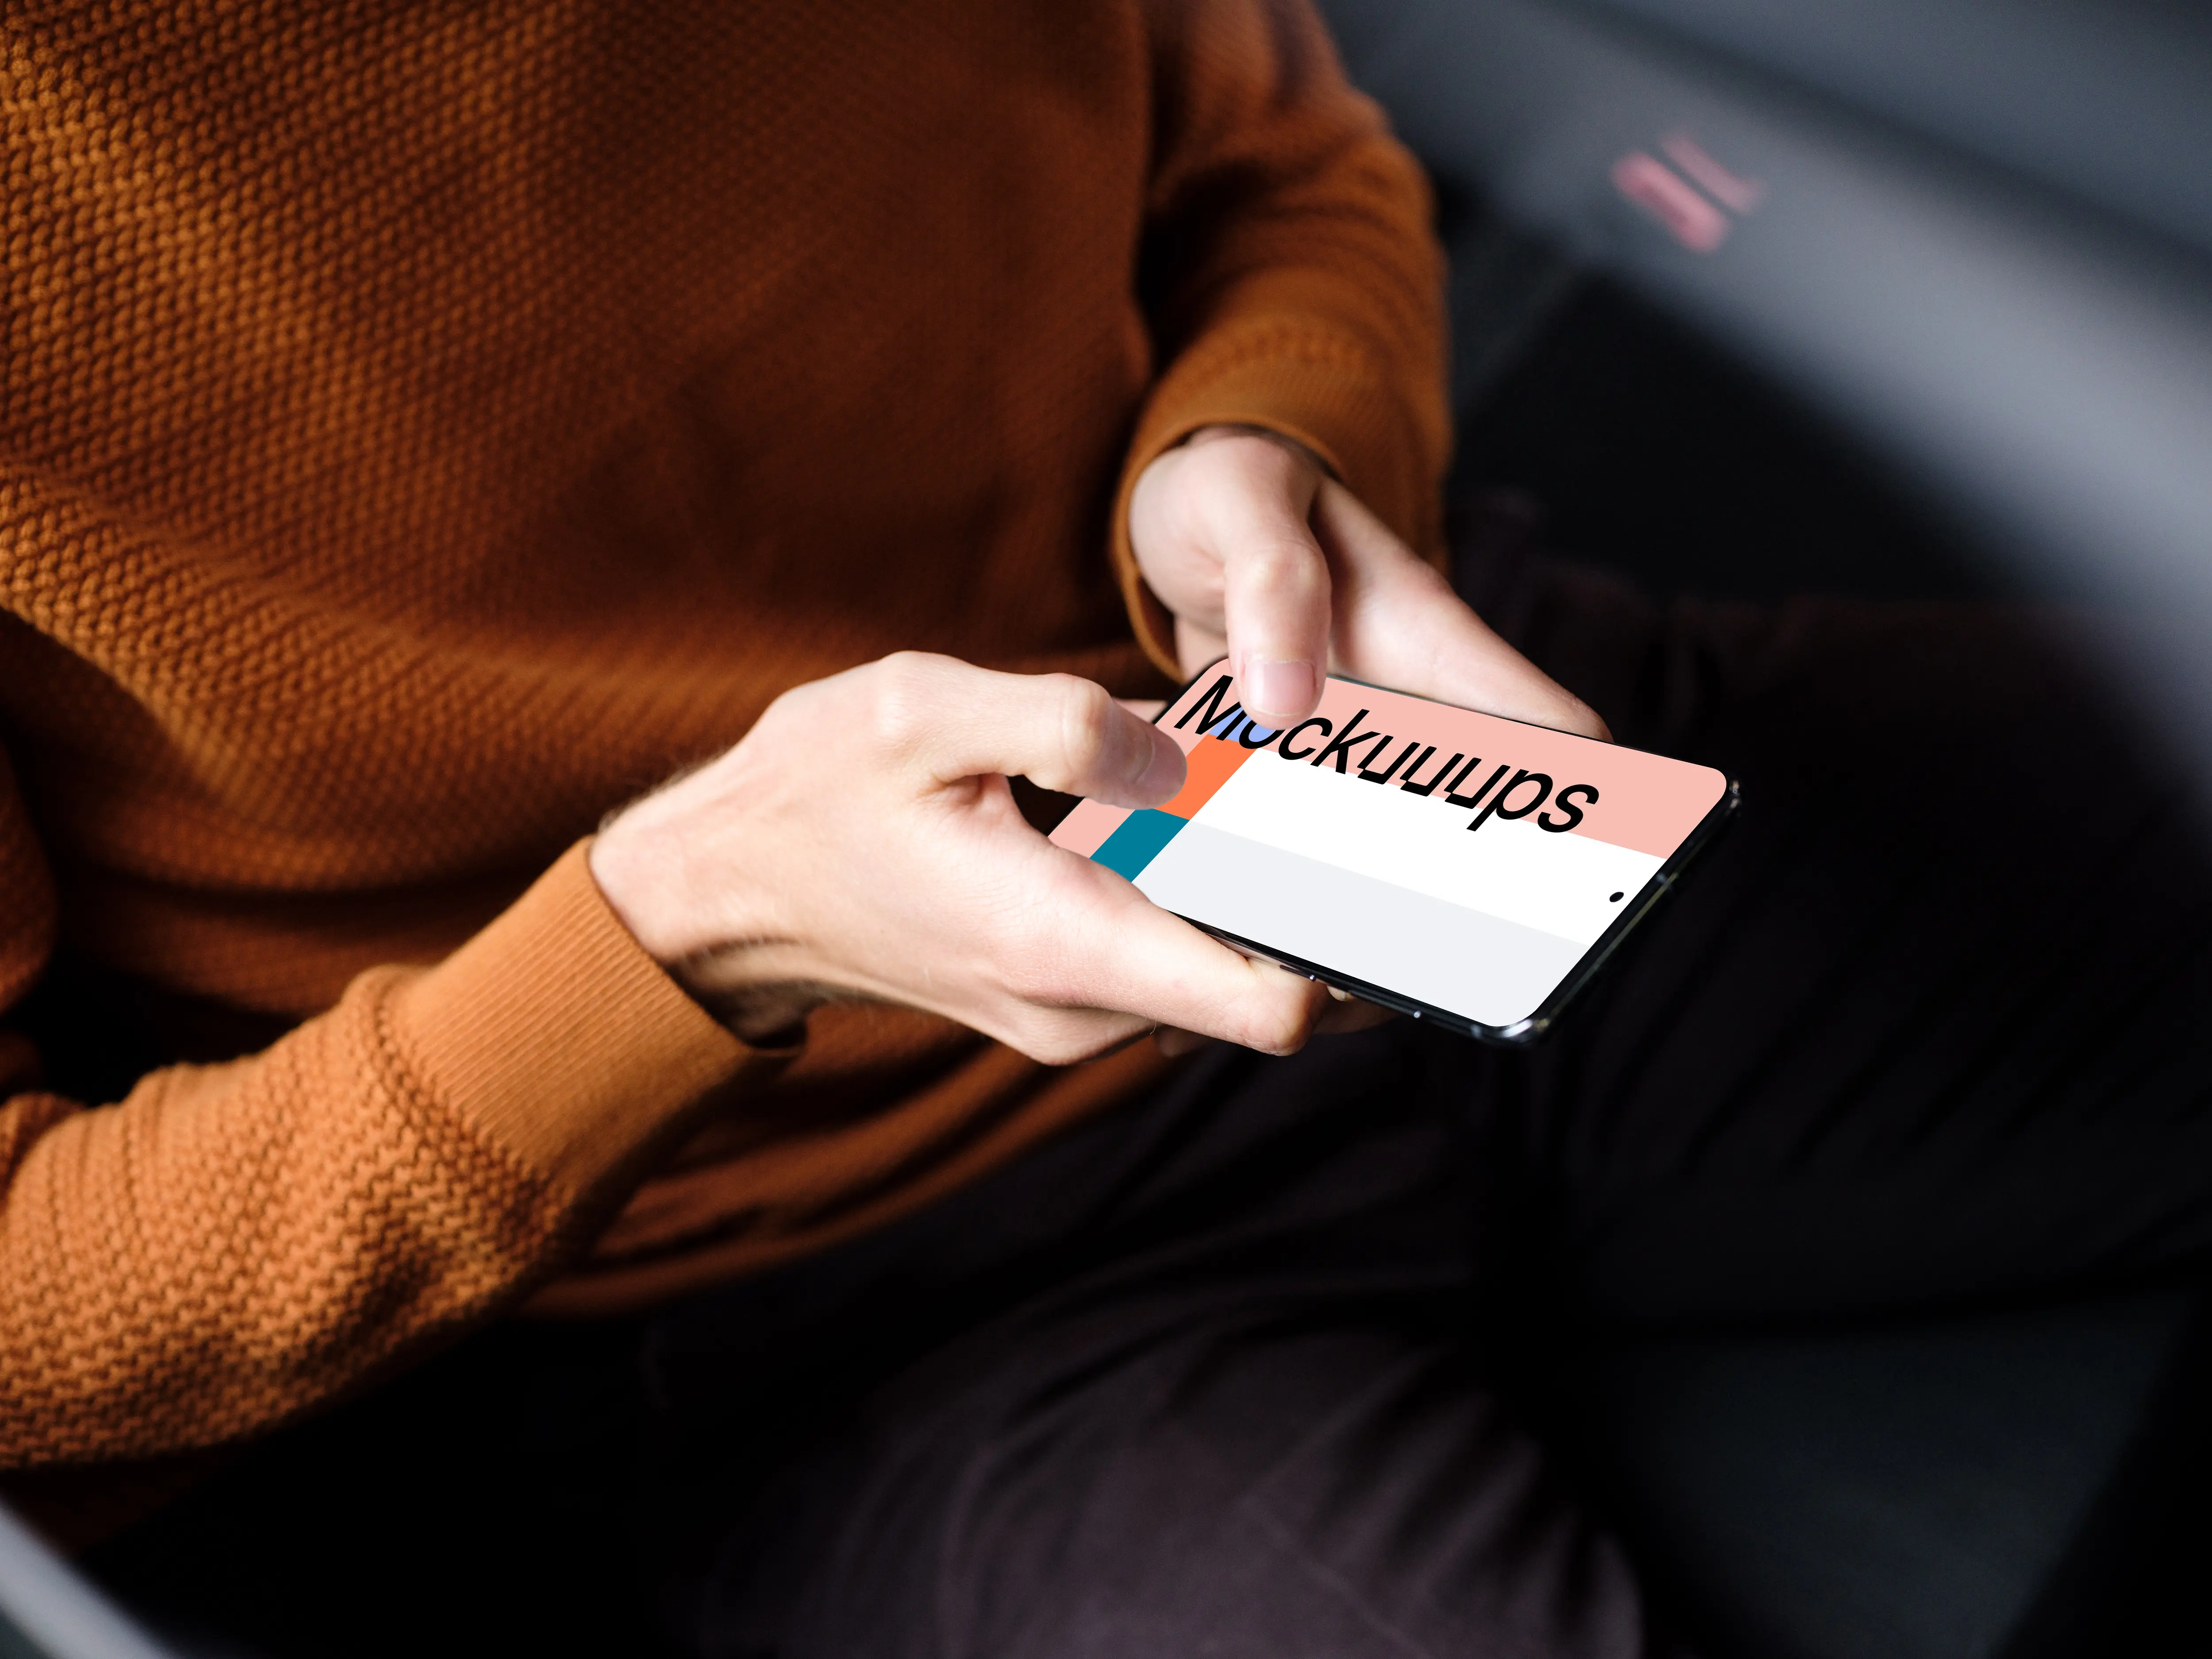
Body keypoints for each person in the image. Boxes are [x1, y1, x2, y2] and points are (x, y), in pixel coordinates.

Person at [8, 2, 2212, 1655]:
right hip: (830, 1275)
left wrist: (1271, 440)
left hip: (1373, 773)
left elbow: (1264, 135)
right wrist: (690, 924)